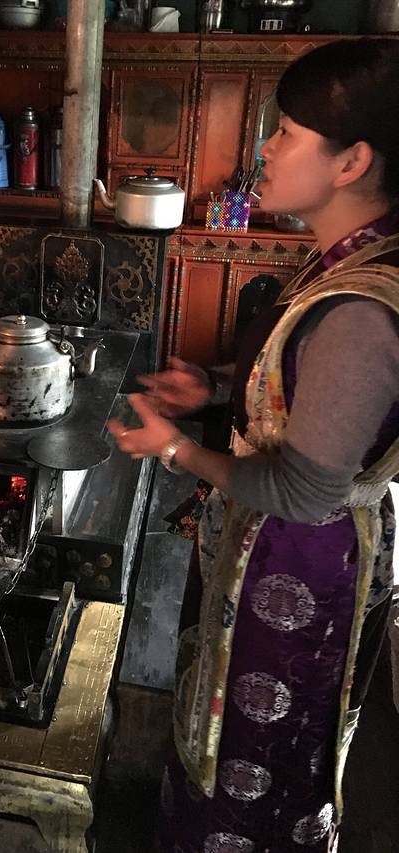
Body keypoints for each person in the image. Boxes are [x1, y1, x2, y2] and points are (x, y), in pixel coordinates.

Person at [109, 38, 399, 853]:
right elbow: (309, 389)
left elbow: (306, 490)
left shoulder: (361, 312)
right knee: (218, 721)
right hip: (270, 547)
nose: (263, 150)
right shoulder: (346, 258)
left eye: (286, 133)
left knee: (259, 753)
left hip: (303, 566)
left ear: (352, 162)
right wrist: (214, 388)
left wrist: (176, 450)